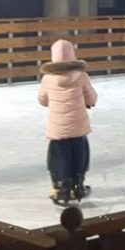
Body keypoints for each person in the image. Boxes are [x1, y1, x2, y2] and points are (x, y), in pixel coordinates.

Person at [38, 39, 97, 205]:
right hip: (78, 125)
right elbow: (91, 97)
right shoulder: (81, 76)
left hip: (58, 128)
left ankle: (62, 188)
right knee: (80, 151)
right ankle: (78, 185)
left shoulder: (48, 78)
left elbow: (42, 100)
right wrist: (89, 102)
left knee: (58, 156)